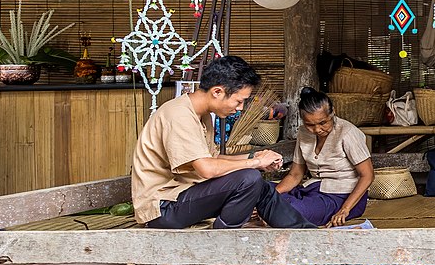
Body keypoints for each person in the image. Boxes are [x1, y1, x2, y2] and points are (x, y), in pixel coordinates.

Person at [131, 56, 314, 229]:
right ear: (217, 92)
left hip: (180, 197)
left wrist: (254, 156)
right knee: (249, 179)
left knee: (261, 186)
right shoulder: (179, 115)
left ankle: (304, 233)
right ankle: (221, 250)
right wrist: (256, 163)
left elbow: (213, 158)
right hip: (162, 208)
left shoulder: (202, 115)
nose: (240, 108)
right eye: (239, 101)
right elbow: (207, 169)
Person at [275, 87, 375, 227]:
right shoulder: (303, 133)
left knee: (292, 210)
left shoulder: (347, 133)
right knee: (260, 189)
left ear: (333, 113)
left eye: (323, 123)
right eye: (310, 124)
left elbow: (368, 175)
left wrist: (344, 210)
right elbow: (295, 174)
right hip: (313, 191)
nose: (317, 129)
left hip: (342, 197)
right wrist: (271, 197)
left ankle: (275, 211)